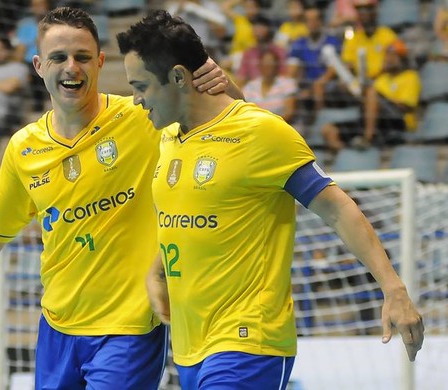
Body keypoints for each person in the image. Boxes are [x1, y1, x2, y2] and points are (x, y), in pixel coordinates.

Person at [0, 6, 241, 388]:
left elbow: (237, 122)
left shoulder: (144, 117)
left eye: (82, 57)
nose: (72, 67)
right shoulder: (24, 148)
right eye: (58, 57)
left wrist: (224, 82)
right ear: (38, 65)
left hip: (129, 330)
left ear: (101, 62)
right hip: (56, 329)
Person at [117, 10, 424, 389]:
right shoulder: (169, 139)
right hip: (190, 346)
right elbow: (189, 219)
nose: (135, 100)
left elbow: (337, 207)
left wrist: (394, 290)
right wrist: (159, 269)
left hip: (250, 342)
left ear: (178, 77)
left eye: (141, 86)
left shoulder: (261, 132)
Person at [321, 39, 420, 151]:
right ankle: (348, 155)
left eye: (394, 56)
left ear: (402, 59)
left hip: (397, 120)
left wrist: (379, 101)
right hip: (374, 121)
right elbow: (363, 94)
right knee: (329, 130)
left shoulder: (410, 76)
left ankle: (368, 139)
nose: (389, 59)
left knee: (371, 92)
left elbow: (407, 106)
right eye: (387, 55)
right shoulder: (381, 78)